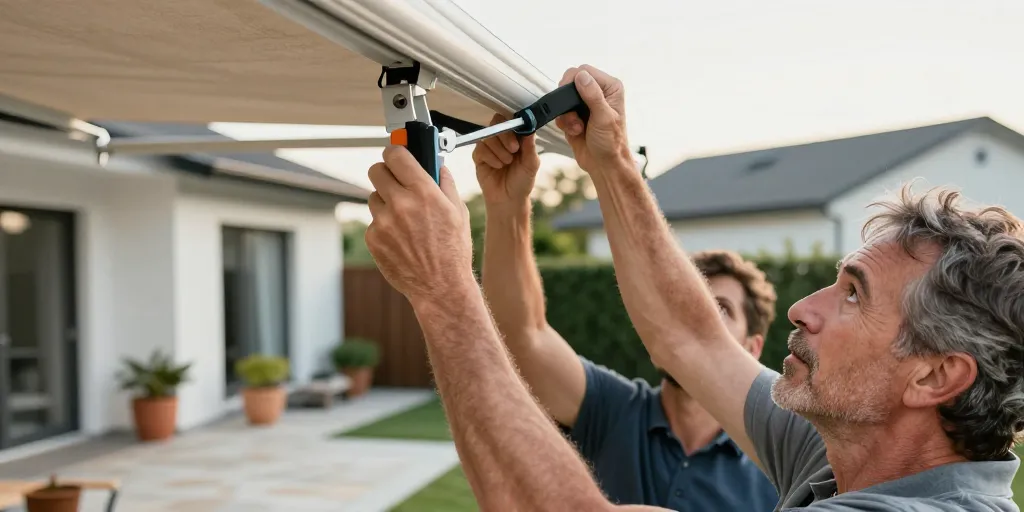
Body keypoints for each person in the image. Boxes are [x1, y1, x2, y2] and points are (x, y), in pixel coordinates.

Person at [363, 64, 1023, 511]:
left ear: (936, 377)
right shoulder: (841, 453)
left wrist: (443, 290)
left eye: (854, 294)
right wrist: (612, 161)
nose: (805, 307)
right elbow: (689, 335)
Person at [470, 119, 779, 510]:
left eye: (719, 308)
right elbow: (521, 336)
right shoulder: (613, 409)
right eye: (687, 304)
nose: (694, 321)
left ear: (752, 347)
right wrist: (506, 205)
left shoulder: (776, 468)